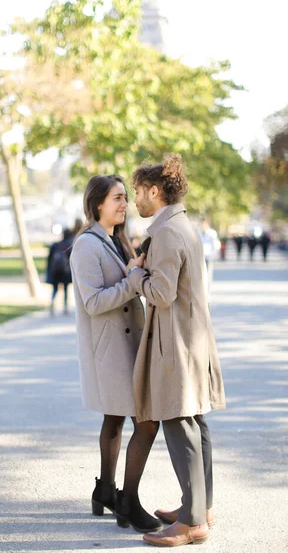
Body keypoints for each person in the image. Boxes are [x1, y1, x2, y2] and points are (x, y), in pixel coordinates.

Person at [125, 154, 226, 547]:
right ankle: (200, 507)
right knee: (195, 424)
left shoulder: (166, 232)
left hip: (176, 345)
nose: (136, 199)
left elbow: (162, 293)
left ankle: (190, 523)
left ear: (155, 191)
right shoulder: (183, 226)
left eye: (138, 192)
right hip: (192, 339)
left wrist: (136, 275)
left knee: (178, 423)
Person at [70, 174, 162, 534]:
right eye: (118, 198)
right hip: (110, 348)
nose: (125, 204)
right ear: (97, 204)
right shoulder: (85, 246)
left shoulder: (114, 239)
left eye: (125, 197)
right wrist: (130, 280)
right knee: (146, 421)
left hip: (125, 344)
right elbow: (93, 302)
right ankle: (128, 499)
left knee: (115, 419)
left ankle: (105, 490)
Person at [47, 228, 74, 315]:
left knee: (55, 289)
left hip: (55, 272)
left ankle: (52, 303)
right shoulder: (69, 246)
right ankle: (65, 307)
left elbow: (49, 259)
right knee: (65, 289)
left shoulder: (55, 245)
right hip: (65, 272)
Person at [198, 218, 220, 291]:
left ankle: (207, 289)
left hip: (208, 256)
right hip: (200, 257)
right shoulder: (197, 232)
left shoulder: (212, 233)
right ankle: (201, 289)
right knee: (200, 274)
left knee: (208, 273)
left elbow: (216, 244)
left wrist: (214, 254)